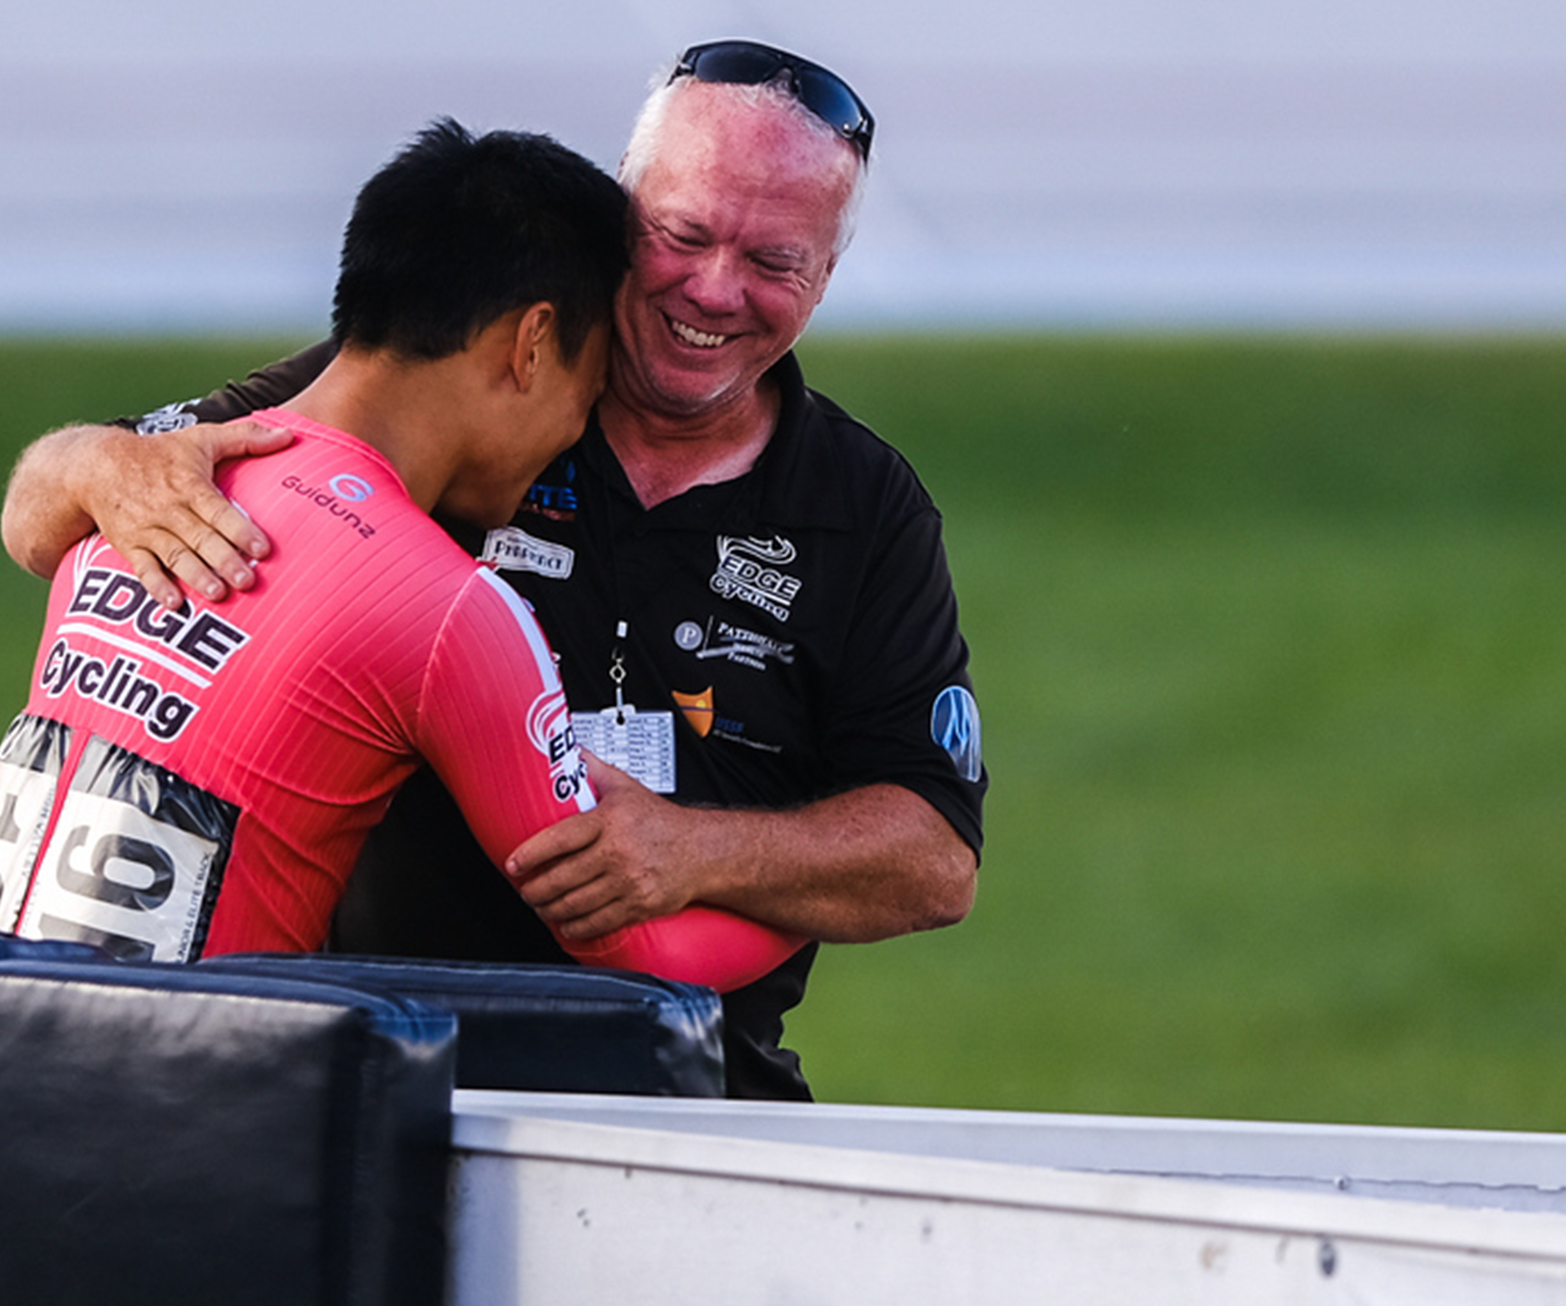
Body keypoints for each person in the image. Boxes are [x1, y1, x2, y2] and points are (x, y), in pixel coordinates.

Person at [1, 42, 985, 1099]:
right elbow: (52, 508)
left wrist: (697, 851)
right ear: (622, 210)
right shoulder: (454, 390)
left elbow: (935, 859)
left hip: (684, 1102)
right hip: (374, 1084)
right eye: (683, 234)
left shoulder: (863, 509)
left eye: (774, 262)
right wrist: (100, 461)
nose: (713, 290)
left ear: (827, 275)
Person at [0, 118, 800, 991]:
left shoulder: (132, 498)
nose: (580, 430)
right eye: (593, 383)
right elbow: (645, 952)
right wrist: (803, 893)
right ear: (530, 346)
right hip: (176, 1106)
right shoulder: (449, 609)